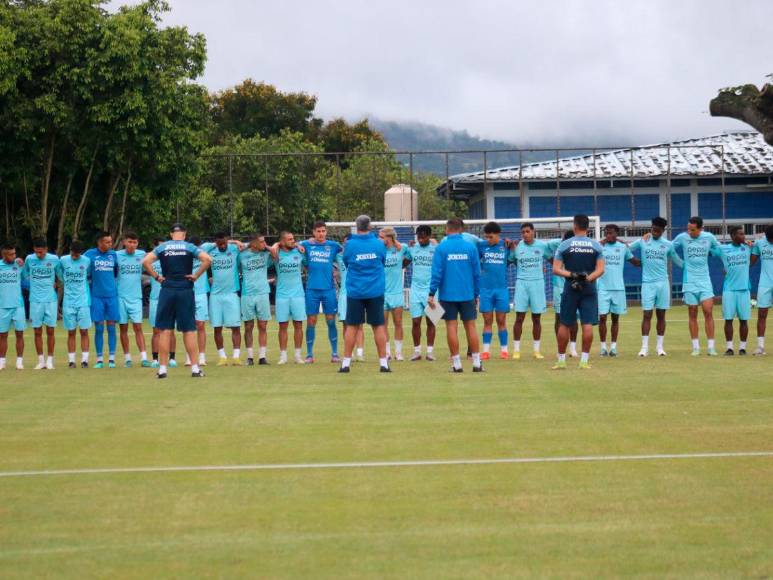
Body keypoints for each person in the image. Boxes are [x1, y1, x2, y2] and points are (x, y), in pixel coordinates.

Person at [142, 223, 211, 379]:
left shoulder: (163, 247)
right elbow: (207, 259)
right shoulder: (189, 247)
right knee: (189, 330)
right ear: (184, 234)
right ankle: (194, 368)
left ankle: (162, 370)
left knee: (165, 330)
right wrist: (196, 275)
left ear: (171, 234)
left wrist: (157, 277)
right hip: (185, 289)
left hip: (167, 289)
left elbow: (146, 262)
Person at [429, 218, 482, 373]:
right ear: (461, 230)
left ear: (447, 229)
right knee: (470, 326)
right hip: (467, 294)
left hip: (448, 295)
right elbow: (477, 273)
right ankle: (477, 363)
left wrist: (431, 292)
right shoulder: (470, 247)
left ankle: (457, 364)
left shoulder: (441, 248)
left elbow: (437, 273)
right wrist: (476, 293)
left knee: (451, 327)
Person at [552, 214, 605, 370]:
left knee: (565, 323)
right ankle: (584, 361)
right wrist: (587, 279)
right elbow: (601, 270)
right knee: (587, 324)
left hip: (570, 286)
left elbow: (556, 269)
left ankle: (561, 361)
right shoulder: (596, 246)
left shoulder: (564, 245)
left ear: (574, 226)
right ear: (588, 227)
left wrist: (573, 275)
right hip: (589, 287)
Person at [339, 215, 389, 373]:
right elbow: (382, 261)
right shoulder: (379, 244)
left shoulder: (350, 245)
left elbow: (346, 263)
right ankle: (383, 364)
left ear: (356, 226)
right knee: (379, 326)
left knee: (352, 326)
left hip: (356, 291)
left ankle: (346, 363)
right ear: (370, 226)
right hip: (375, 290)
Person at [630, 217, 683, 357]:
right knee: (647, 314)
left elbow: (678, 260)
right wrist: (633, 260)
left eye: (658, 231)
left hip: (663, 283)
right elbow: (627, 249)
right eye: (653, 229)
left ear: (663, 231)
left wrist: (692, 267)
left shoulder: (668, 244)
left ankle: (660, 348)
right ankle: (644, 348)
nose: (655, 232)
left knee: (661, 315)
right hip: (647, 283)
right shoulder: (643, 240)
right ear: (651, 227)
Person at [671, 216, 723, 356]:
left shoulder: (709, 237)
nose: (689, 231)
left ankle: (711, 347)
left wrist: (714, 253)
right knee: (692, 312)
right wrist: (680, 263)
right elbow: (669, 248)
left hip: (705, 281)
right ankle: (696, 347)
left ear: (701, 229)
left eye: (692, 229)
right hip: (689, 281)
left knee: (708, 311)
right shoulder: (682, 237)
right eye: (688, 228)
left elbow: (720, 250)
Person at [510, 222, 553, 360]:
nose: (525, 234)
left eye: (528, 231)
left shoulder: (542, 246)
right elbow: (512, 261)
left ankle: (536, 351)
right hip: (522, 283)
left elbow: (553, 260)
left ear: (533, 232)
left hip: (538, 284)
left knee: (536, 318)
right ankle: (516, 350)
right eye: (523, 232)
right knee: (519, 317)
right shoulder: (517, 247)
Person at [300, 221, 342, 363]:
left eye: (323, 231)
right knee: (311, 321)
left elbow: (346, 250)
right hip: (312, 289)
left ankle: (335, 353)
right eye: (318, 231)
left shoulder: (333, 246)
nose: (321, 234)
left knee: (331, 321)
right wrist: (305, 241)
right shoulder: (307, 245)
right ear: (313, 232)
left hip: (329, 290)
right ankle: (309, 355)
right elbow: (292, 244)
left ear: (326, 232)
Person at [597, 224, 639, 357]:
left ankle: (613, 348)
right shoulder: (600, 247)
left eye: (611, 233)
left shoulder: (622, 248)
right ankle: (603, 347)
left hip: (618, 289)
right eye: (606, 233)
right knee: (602, 317)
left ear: (616, 233)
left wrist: (649, 260)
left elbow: (634, 262)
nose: (608, 235)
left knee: (615, 318)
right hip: (603, 288)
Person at [204, 232, 242, 366]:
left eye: (224, 243)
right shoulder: (211, 250)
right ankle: (222, 357)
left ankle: (236, 357)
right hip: (216, 295)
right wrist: (216, 244)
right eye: (219, 244)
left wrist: (234, 242)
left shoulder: (234, 249)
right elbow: (200, 248)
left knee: (235, 327)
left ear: (227, 241)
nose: (222, 246)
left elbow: (251, 245)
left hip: (231, 294)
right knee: (217, 327)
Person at [270, 231, 307, 364]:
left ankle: (297, 356)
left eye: (294, 239)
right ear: (282, 241)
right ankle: (283, 356)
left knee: (298, 325)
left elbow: (308, 260)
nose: (293, 241)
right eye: (290, 239)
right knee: (283, 326)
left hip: (298, 295)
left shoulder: (299, 252)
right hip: (282, 296)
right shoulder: (276, 254)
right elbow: (268, 249)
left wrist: (298, 245)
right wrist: (275, 244)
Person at [23, 237, 60, 370]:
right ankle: (40, 361)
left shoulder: (54, 259)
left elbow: (60, 275)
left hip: (50, 300)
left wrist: (56, 283)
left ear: (46, 249)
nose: (39, 255)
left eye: (41, 252)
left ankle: (50, 361)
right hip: (35, 301)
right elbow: (24, 274)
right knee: (37, 331)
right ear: (34, 250)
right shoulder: (29, 259)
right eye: (37, 252)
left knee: (51, 331)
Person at [84, 232, 119, 368]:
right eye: (107, 242)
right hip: (96, 296)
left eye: (111, 241)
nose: (110, 244)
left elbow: (115, 272)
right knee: (99, 328)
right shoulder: (89, 254)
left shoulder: (113, 255)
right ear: (99, 243)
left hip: (111, 296)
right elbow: (82, 269)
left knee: (111, 327)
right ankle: (99, 359)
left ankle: (111, 359)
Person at [116, 232, 150, 367]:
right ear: (124, 242)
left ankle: (144, 358)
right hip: (120, 297)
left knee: (138, 327)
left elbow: (154, 262)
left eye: (135, 242)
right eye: (129, 242)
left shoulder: (142, 255)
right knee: (123, 328)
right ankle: (127, 359)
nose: (132, 245)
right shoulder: (116, 255)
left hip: (136, 297)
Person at [477, 221, 510, 360]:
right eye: (486, 237)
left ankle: (504, 351)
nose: (488, 240)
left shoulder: (506, 245)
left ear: (498, 235)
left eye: (491, 237)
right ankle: (485, 351)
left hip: (501, 289)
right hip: (485, 290)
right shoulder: (481, 246)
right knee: (487, 320)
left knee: (501, 320)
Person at [239, 233, 273, 365]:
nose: (263, 244)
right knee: (248, 326)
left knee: (263, 325)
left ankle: (262, 357)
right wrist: (247, 245)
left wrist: (266, 246)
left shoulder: (265, 255)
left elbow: (276, 252)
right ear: (253, 243)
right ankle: (250, 357)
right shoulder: (241, 255)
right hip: (247, 294)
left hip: (263, 293)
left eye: (264, 241)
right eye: (261, 242)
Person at [57, 240, 92, 368]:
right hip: (68, 302)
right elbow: (59, 272)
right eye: (73, 253)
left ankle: (85, 360)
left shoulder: (87, 261)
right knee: (71, 332)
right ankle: (71, 361)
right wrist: (62, 280)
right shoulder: (63, 260)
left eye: (77, 254)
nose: (74, 256)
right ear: (70, 250)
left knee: (84, 331)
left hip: (83, 301)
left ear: (81, 253)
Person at [405, 225, 437, 361]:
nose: (421, 240)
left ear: (429, 236)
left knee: (431, 322)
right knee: (416, 322)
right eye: (419, 237)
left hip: (432, 291)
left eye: (423, 237)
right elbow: (403, 263)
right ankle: (417, 352)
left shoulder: (436, 249)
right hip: (415, 290)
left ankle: (430, 352)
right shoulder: (413, 249)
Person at [719, 226, 752, 355]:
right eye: (740, 234)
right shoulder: (723, 249)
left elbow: (762, 241)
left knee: (744, 320)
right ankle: (730, 348)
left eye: (744, 234)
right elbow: (710, 250)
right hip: (729, 290)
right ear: (732, 236)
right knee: (728, 319)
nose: (743, 236)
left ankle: (743, 348)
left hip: (744, 289)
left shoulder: (748, 247)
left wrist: (750, 243)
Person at [147, 237, 178, 368]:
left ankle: (172, 358)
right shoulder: (150, 262)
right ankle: (155, 359)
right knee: (156, 330)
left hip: (170, 297)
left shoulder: (172, 261)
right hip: (155, 299)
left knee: (170, 331)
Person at [548, 231, 579, 358]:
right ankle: (560, 348)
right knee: (559, 317)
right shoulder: (557, 246)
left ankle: (573, 348)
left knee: (574, 318)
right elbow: (546, 246)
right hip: (558, 287)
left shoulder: (579, 250)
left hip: (574, 286)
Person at [335, 237, 366, 362]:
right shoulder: (338, 256)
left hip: (358, 293)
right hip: (344, 295)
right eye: (345, 242)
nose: (347, 244)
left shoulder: (361, 256)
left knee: (359, 325)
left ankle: (360, 353)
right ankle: (350, 353)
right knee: (346, 325)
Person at [380, 227, 408, 361]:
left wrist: (402, 266)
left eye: (382, 237)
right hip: (382, 293)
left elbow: (410, 256)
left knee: (398, 322)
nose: (380, 239)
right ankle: (387, 353)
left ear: (389, 237)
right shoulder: (379, 250)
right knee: (383, 324)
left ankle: (398, 353)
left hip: (396, 292)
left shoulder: (401, 248)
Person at [0, 241, 25, 371]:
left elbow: (26, 277)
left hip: (18, 306)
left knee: (19, 334)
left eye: (14, 253)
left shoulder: (19, 264)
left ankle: (19, 362)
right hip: (2, 306)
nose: (13, 256)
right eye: (10, 254)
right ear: (4, 254)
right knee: (2, 335)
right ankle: (2, 362)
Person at [186, 235, 210, 367]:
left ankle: (202, 356)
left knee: (200, 325)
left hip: (201, 293)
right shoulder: (185, 253)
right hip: (187, 292)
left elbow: (221, 241)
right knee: (188, 325)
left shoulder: (205, 249)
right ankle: (189, 357)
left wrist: (235, 241)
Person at [751, 224, 773, 355]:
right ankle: (760, 347)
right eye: (770, 239)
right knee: (762, 314)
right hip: (765, 283)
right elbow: (751, 262)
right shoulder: (759, 243)